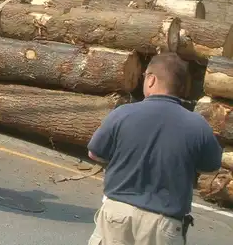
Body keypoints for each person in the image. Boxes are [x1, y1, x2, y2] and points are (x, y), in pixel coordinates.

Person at [87, 52, 222, 245]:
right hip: (163, 224)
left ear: (151, 79)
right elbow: (211, 167)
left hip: (117, 215)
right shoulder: (198, 125)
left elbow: (95, 153)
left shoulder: (122, 114)